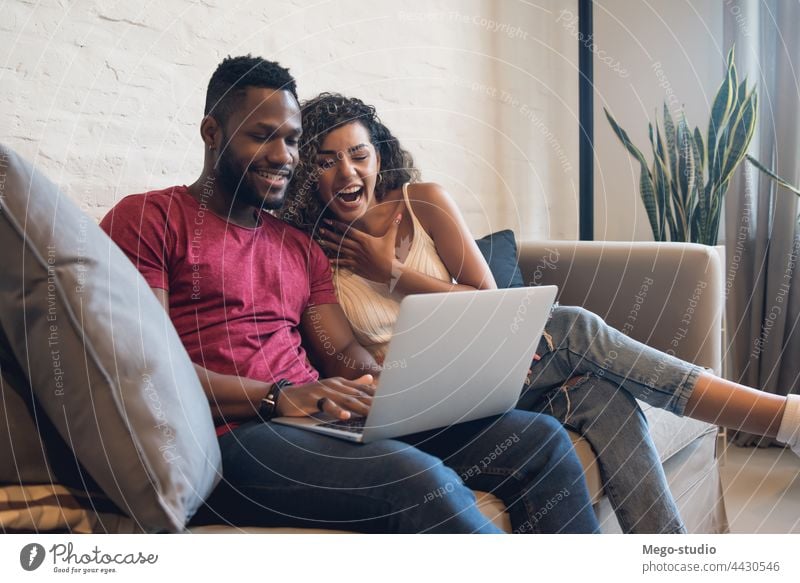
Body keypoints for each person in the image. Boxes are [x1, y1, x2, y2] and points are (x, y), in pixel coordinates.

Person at [99, 55, 602, 534]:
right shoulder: (151, 219)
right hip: (230, 438)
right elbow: (148, 369)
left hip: (321, 418)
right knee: (417, 482)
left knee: (539, 441)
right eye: (262, 137)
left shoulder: (298, 247)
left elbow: (346, 356)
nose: (283, 156)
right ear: (212, 133)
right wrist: (276, 397)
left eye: (293, 141)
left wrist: (409, 387)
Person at [280, 92, 800, 534]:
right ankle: (779, 416)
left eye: (359, 154)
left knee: (604, 398)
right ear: (307, 172)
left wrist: (393, 274)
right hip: (420, 398)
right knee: (574, 327)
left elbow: (488, 303)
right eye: (327, 161)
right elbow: (344, 363)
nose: (347, 171)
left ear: (379, 155)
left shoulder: (424, 202)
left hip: (491, 369)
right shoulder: (307, 254)